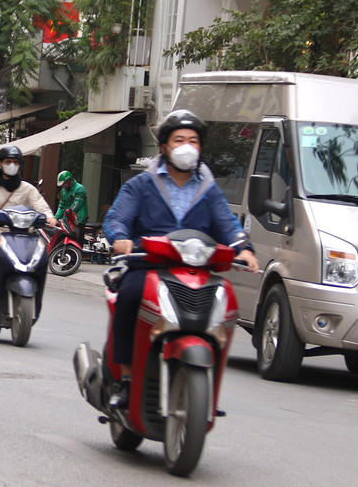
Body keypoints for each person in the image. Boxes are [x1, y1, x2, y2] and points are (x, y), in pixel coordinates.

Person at [102, 109, 260, 409]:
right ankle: (125, 378)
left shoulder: (209, 189)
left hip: (197, 269)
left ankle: (206, 387)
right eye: (179, 140)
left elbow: (227, 224)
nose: (187, 146)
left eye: (193, 140)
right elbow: (117, 218)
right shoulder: (141, 185)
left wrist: (244, 248)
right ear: (164, 147)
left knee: (226, 301)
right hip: (148, 265)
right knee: (130, 296)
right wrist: (120, 238)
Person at [0, 144, 56, 268]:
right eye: (8, 161)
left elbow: (41, 205)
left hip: (24, 234)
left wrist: (49, 217)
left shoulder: (28, 188)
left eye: (15, 162)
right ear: (0, 163)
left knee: (40, 256)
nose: (12, 165)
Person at [57, 169, 88, 241]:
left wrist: (67, 213)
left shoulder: (80, 189)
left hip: (78, 220)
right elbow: (61, 205)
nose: (63, 186)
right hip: (67, 220)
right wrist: (55, 218)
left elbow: (76, 205)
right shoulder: (64, 191)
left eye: (63, 183)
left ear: (69, 181)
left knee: (77, 243)